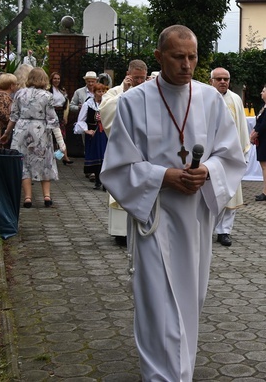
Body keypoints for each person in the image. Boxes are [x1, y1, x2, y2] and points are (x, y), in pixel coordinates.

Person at [100, 25, 246, 381]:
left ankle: (182, 371)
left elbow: (231, 156)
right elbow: (117, 167)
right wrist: (164, 176)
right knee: (156, 303)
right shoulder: (134, 103)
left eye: (192, 57)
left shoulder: (211, 100)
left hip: (195, 218)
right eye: (178, 57)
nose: (186, 65)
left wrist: (207, 171)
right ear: (159, 56)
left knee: (189, 299)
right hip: (155, 216)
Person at [0, 68, 66, 208]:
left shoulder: (19, 94)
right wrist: (61, 142)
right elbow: (53, 120)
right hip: (40, 131)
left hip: (21, 130)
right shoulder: (47, 96)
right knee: (45, 161)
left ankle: (28, 198)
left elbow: (13, 116)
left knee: (24, 163)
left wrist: (6, 133)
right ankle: (47, 196)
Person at [209, 67, 251, 246]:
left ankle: (225, 231)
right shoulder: (204, 97)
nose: (223, 82)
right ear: (211, 81)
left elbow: (241, 126)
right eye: (218, 79)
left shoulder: (235, 99)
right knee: (210, 193)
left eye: (226, 79)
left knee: (231, 194)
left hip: (231, 156)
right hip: (210, 155)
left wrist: (243, 152)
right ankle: (207, 230)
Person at [99, 59, 149, 136]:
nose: (139, 81)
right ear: (128, 74)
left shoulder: (151, 91)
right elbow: (105, 110)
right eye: (136, 77)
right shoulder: (114, 92)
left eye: (142, 78)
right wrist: (125, 92)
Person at [74, 83, 109, 190]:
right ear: (94, 92)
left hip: (104, 134)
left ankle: (105, 183)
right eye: (99, 91)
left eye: (103, 91)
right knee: (96, 157)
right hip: (94, 135)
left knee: (105, 157)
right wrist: (86, 130)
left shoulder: (107, 103)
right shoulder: (88, 104)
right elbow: (81, 120)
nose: (101, 94)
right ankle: (98, 181)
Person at [49, 72, 73, 165]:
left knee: (62, 136)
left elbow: (66, 104)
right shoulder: (48, 90)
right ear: (51, 79)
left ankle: (64, 157)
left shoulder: (62, 90)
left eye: (58, 79)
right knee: (52, 136)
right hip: (51, 113)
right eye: (55, 78)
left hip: (60, 113)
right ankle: (55, 156)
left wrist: (65, 116)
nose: (57, 80)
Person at [0, 73, 18, 149]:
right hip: (1, 133)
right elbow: (3, 114)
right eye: (15, 84)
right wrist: (14, 119)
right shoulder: (2, 97)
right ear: (11, 86)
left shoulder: (0, 95)